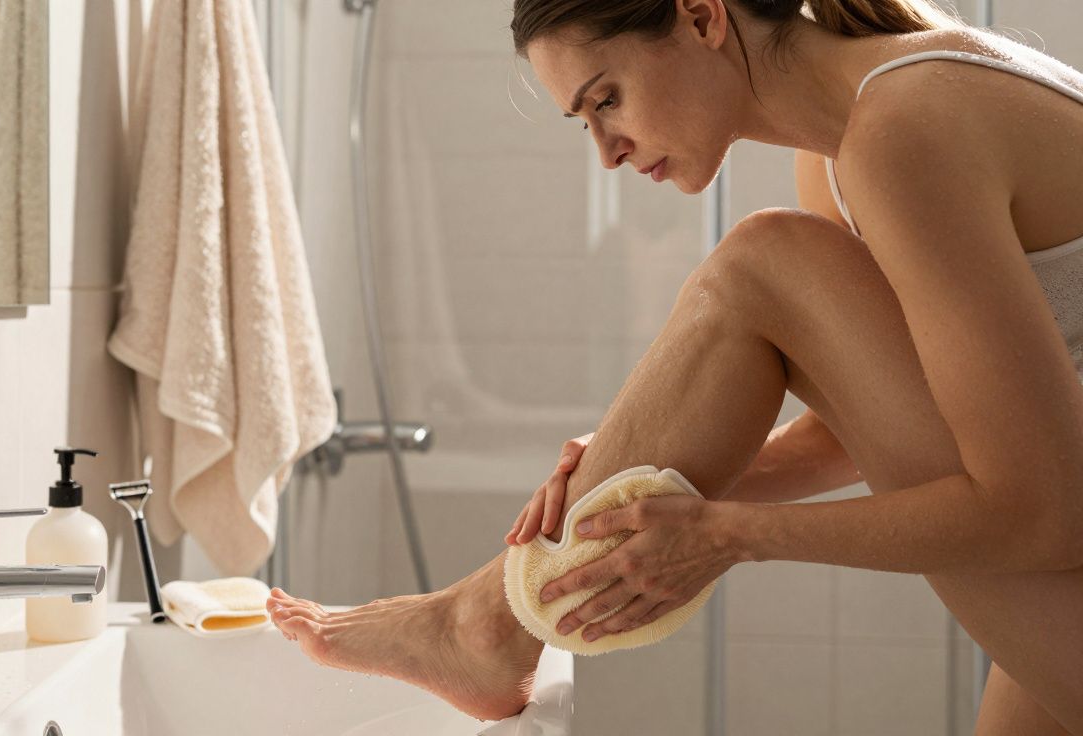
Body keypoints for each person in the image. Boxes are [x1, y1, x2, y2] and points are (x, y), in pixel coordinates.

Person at [266, 0, 1083, 731]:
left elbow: (1043, 511)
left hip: (1060, 540)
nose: (607, 154)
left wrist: (732, 536)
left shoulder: (903, 132)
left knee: (765, 262)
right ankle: (483, 619)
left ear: (701, 17)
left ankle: (483, 626)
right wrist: (633, 484)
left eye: (606, 99)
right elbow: (869, 423)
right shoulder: (863, 131)